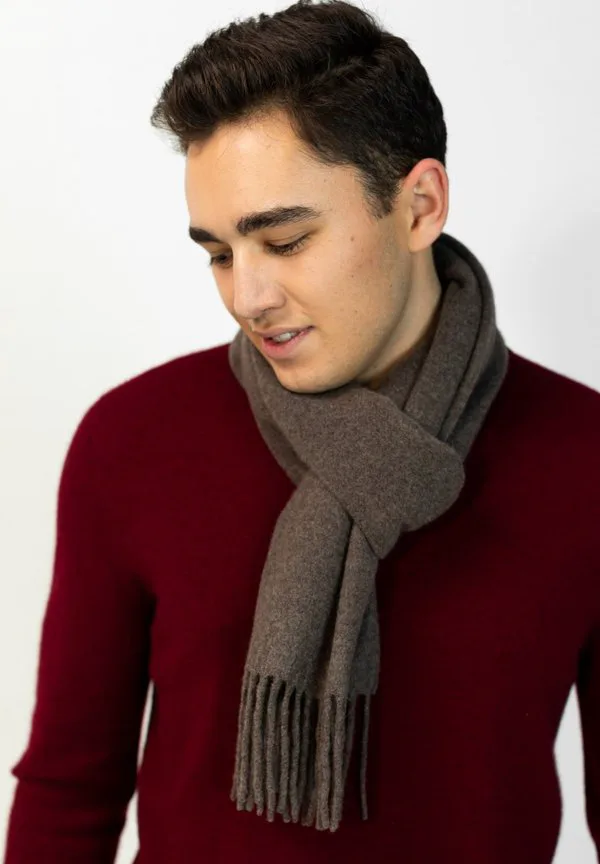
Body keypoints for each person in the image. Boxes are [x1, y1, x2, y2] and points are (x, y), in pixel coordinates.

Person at [4, 0, 600, 862]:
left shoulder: (581, 458)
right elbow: (70, 790)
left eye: (284, 241)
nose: (247, 297)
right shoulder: (133, 443)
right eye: (218, 254)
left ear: (420, 205)